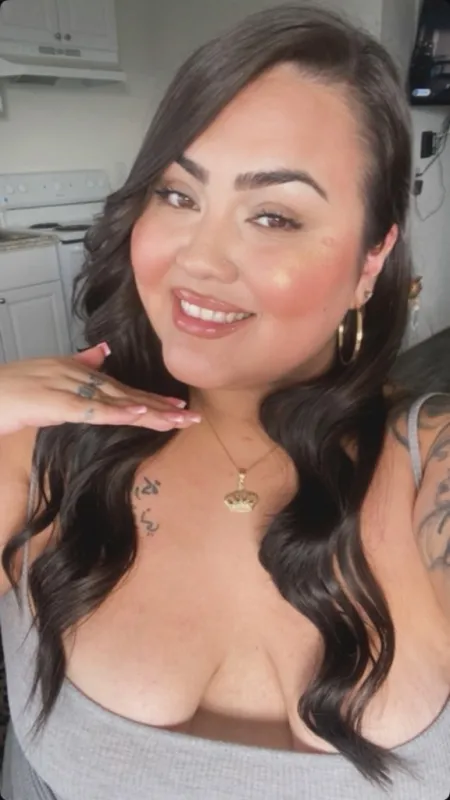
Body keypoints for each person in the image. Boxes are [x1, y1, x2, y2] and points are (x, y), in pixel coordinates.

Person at [0, 4, 449, 799]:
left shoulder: (429, 465)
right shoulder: (45, 445)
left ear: (370, 260)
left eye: (273, 215)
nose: (198, 260)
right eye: (177, 195)